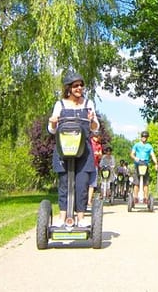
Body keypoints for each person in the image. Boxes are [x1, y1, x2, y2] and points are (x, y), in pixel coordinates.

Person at [47, 72, 99, 227]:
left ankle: (81, 218)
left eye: (81, 85)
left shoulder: (88, 104)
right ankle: (63, 218)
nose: (79, 88)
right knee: (64, 183)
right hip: (64, 148)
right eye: (76, 85)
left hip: (84, 150)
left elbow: (95, 129)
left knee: (82, 184)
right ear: (68, 88)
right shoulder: (60, 105)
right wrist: (54, 122)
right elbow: (52, 129)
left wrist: (92, 120)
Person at [130, 130, 158, 203]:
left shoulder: (149, 146)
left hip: (145, 165)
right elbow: (132, 154)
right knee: (136, 182)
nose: (144, 138)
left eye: (145, 137)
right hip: (137, 164)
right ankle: (135, 197)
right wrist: (135, 158)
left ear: (147, 138)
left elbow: (153, 155)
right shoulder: (136, 145)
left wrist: (156, 163)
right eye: (143, 136)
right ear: (141, 137)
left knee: (146, 183)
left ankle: (146, 198)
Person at [88, 130, 103, 207]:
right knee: (84, 183)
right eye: (95, 136)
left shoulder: (99, 145)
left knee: (92, 184)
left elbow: (100, 155)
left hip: (95, 165)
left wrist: (99, 154)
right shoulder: (89, 143)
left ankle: (89, 201)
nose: (96, 138)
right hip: (87, 165)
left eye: (97, 137)